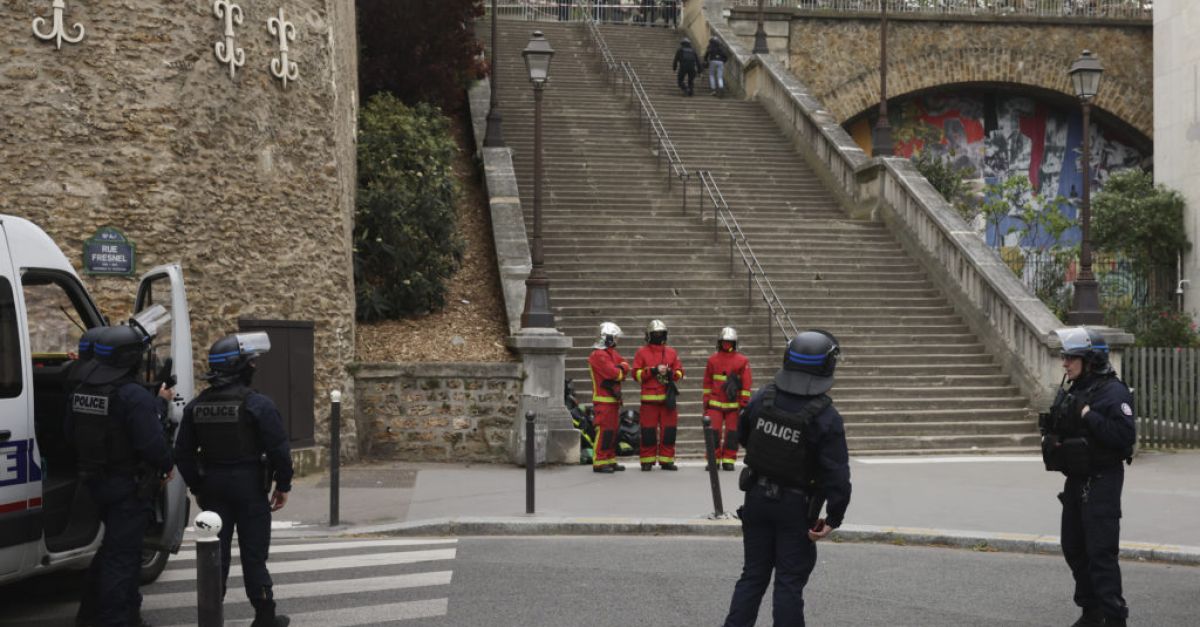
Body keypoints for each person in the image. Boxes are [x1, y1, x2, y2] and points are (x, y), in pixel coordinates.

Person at [722, 330, 852, 627]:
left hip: (755, 498)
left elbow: (743, 435)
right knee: (788, 583)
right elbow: (837, 475)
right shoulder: (826, 416)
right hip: (796, 507)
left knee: (752, 577)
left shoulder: (763, 398)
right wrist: (834, 516)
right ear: (826, 366)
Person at [175, 332, 295, 627]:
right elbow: (279, 450)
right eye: (251, 362)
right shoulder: (258, 404)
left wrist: (198, 486)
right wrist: (283, 485)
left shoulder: (196, 406)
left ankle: (211, 616)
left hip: (213, 487)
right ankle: (265, 617)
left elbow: (182, 453)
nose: (254, 366)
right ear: (239, 366)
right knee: (254, 556)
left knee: (215, 556)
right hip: (250, 488)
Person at [67, 325, 173, 627]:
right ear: (132, 359)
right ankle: (117, 620)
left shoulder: (81, 390)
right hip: (127, 486)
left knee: (111, 550)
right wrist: (167, 465)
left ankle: (89, 615)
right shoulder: (133, 396)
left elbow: (68, 433)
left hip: (91, 481)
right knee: (123, 558)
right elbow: (152, 444)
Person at [1039, 327, 1135, 627]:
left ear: (1091, 360)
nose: (1065, 363)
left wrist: (1087, 415)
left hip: (1102, 480)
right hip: (1076, 480)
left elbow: (1123, 436)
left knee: (1100, 553)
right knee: (1074, 548)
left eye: (1071, 357)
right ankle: (1091, 611)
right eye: (1065, 357)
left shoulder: (1113, 392)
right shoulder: (1076, 390)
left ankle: (1114, 617)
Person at [632, 319, 684, 471]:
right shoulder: (642, 353)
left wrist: (671, 373)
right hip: (649, 401)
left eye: (661, 333)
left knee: (669, 431)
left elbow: (680, 372)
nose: (658, 336)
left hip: (668, 400)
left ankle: (666, 460)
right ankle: (647, 460)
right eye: (655, 334)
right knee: (648, 431)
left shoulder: (671, 352)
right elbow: (636, 375)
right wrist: (653, 370)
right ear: (649, 335)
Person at [703, 327, 752, 470]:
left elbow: (747, 383)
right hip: (715, 403)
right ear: (720, 342)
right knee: (713, 433)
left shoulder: (742, 360)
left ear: (735, 343)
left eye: (729, 342)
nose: (727, 344)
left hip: (733, 404)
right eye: (724, 341)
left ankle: (728, 459)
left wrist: (743, 403)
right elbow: (707, 382)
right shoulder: (712, 359)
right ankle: (713, 459)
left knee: (732, 433)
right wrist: (706, 401)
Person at [587, 321, 630, 473]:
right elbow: (615, 374)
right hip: (603, 400)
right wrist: (621, 370)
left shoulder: (610, 353)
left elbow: (625, 365)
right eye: (615, 338)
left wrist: (622, 368)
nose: (617, 341)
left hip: (613, 400)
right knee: (604, 431)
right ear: (608, 338)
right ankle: (599, 462)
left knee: (612, 432)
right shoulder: (598, 355)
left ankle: (609, 459)